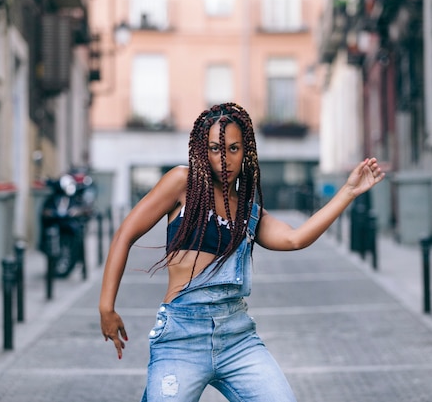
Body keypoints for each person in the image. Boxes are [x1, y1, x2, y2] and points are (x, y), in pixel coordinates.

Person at [99, 102, 385, 402]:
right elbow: (125, 234)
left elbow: (295, 239)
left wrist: (348, 192)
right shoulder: (183, 184)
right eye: (214, 149)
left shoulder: (249, 211)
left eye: (233, 148)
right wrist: (106, 306)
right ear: (201, 150)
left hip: (237, 336)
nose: (224, 159)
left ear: (245, 150)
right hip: (181, 336)